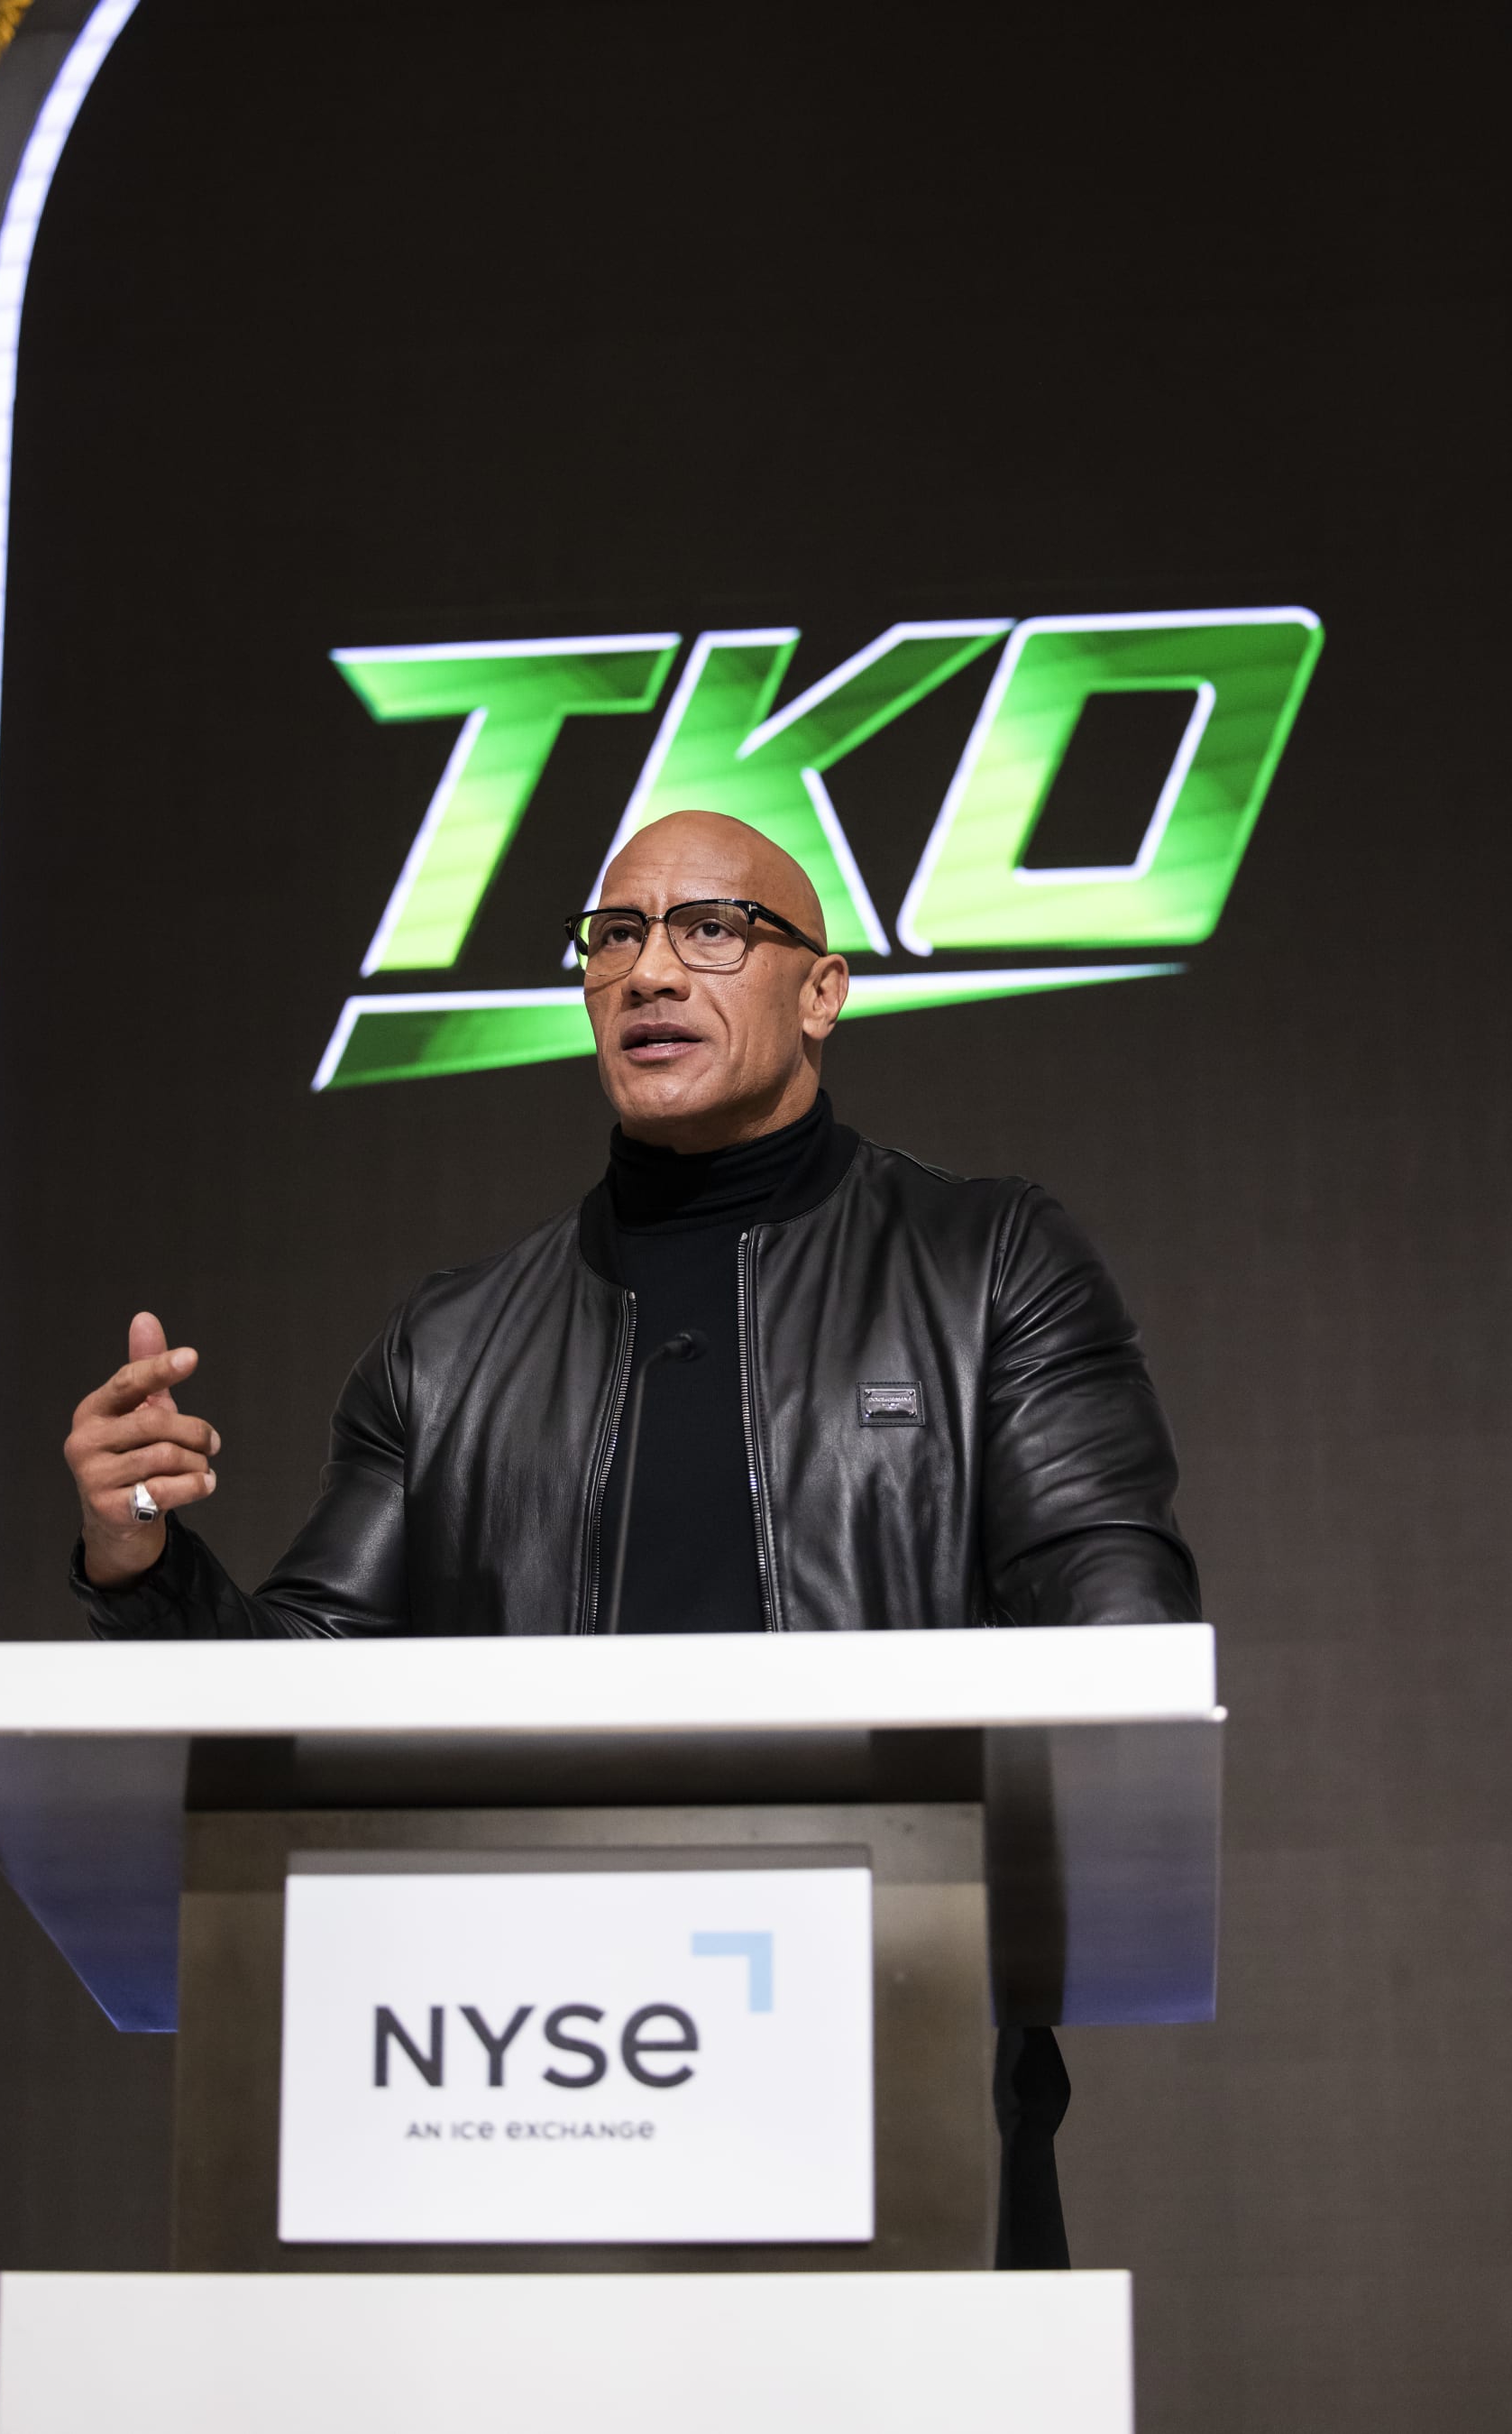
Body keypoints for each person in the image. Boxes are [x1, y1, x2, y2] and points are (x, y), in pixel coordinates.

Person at [63, 807, 1201, 2263]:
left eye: (712, 929)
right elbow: (303, 1700)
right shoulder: (449, 1342)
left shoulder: (987, 1265)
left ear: (822, 989)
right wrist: (144, 1561)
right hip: (522, 2095)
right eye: (617, 935)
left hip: (889, 2079)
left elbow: (1113, 1627)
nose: (653, 970)